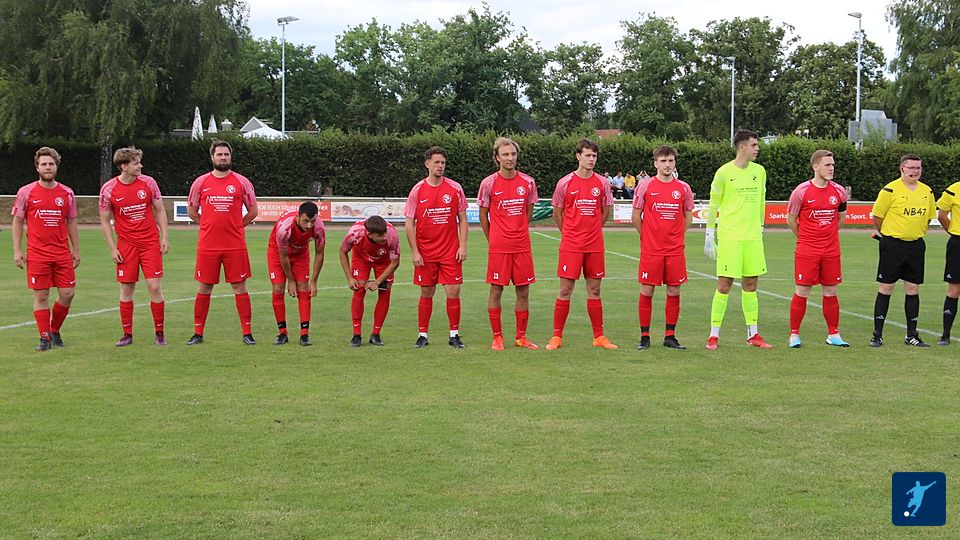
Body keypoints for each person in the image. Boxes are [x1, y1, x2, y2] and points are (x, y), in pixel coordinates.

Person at [704, 129, 773, 349]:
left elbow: (761, 201)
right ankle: (713, 335)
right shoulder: (724, 172)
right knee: (724, 285)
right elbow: (714, 204)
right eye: (754, 145)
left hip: (752, 238)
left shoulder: (759, 171)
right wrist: (709, 233)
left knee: (751, 284)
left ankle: (753, 334)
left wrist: (761, 227)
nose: (757, 149)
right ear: (742, 147)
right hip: (730, 237)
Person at [186, 139, 259, 345]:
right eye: (219, 154)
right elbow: (192, 211)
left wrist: (237, 226)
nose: (223, 158)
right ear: (212, 157)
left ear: (230, 157)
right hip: (208, 245)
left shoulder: (242, 182)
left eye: (226, 154)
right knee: (204, 288)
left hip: (235, 245)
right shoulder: (200, 183)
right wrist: (207, 224)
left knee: (240, 287)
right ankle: (198, 333)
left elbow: (253, 211)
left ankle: (247, 333)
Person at [547, 138, 618, 350]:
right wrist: (570, 233)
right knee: (565, 289)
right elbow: (557, 213)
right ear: (578, 156)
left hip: (594, 244)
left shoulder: (602, 183)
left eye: (594, 156)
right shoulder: (565, 183)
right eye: (587, 155)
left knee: (594, 290)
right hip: (572, 244)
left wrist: (592, 230)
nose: (591, 159)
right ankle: (556, 336)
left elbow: (606, 211)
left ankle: (599, 337)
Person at [98, 146, 170, 347]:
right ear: (124, 166)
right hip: (126, 245)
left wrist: (164, 236)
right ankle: (127, 334)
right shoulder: (109, 189)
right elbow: (104, 220)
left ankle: (159, 333)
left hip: (149, 243)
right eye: (136, 163)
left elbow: (160, 210)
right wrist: (112, 248)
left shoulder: (149, 183)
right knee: (127, 289)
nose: (140, 166)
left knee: (154, 287)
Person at [11, 147, 80, 351]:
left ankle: (54, 329)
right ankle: (44, 338)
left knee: (68, 293)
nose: (47, 167)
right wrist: (17, 250)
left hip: (61, 252)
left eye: (51, 164)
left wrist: (76, 249)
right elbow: (18, 221)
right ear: (37, 167)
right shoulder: (26, 192)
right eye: (44, 164)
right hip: (37, 253)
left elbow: (71, 222)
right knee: (41, 296)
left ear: (56, 166)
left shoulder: (67, 193)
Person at [478, 137, 540, 351]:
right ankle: (497, 337)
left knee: (523, 292)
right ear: (497, 158)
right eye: (505, 154)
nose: (510, 158)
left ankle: (521, 337)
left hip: (522, 246)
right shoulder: (488, 183)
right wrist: (493, 239)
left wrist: (518, 229)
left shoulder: (528, 182)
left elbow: (528, 212)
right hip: (499, 247)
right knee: (496, 291)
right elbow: (483, 215)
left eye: (513, 154)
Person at [404, 146, 468, 349]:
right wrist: (415, 251)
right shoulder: (417, 190)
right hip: (426, 252)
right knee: (427, 291)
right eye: (436, 162)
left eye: (443, 163)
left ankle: (454, 335)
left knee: (453, 291)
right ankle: (422, 334)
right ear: (427, 164)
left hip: (450, 251)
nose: (440, 166)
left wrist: (463, 245)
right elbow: (409, 223)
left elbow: (463, 219)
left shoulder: (455, 188)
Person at [631, 145, 694, 350]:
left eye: (670, 161)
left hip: (675, 249)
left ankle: (670, 336)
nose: (667, 165)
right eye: (663, 161)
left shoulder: (683, 188)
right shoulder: (645, 186)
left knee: (674, 290)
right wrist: (647, 237)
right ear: (655, 163)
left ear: (675, 163)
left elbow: (688, 216)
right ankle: (645, 337)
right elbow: (636, 216)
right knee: (647, 290)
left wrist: (677, 235)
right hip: (652, 250)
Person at [870, 153, 937, 347]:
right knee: (886, 288)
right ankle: (877, 335)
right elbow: (877, 217)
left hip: (916, 245)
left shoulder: (927, 191)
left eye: (918, 168)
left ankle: (911, 335)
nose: (915, 171)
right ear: (902, 169)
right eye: (911, 168)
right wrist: (888, 235)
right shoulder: (890, 190)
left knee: (913, 289)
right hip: (893, 245)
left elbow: (927, 218)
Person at [785, 150, 849, 348]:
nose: (831, 168)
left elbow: (841, 217)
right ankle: (794, 334)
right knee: (802, 290)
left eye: (833, 165)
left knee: (831, 290)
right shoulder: (801, 191)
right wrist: (806, 238)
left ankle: (834, 334)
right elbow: (791, 219)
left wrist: (828, 235)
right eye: (827, 165)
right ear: (815, 167)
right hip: (807, 249)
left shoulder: (839, 191)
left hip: (831, 249)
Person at [267, 202, 325, 346]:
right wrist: (290, 280)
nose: (309, 225)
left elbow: (319, 254)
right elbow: (283, 256)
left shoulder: (318, 227)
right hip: (278, 252)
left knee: (304, 288)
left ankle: (304, 334)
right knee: (278, 288)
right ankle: (282, 333)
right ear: (298, 217)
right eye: (306, 221)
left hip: (301, 253)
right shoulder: (284, 228)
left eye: (312, 221)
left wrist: (314, 281)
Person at [340, 215, 401, 346]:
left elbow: (395, 262)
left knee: (385, 293)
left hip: (384, 261)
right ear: (369, 234)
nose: (384, 237)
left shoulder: (392, 235)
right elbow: (342, 251)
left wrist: (377, 282)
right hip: (361, 259)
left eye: (384, 233)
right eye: (379, 235)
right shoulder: (354, 233)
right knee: (359, 290)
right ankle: (356, 335)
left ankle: (376, 334)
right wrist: (350, 278)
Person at [936, 179, 960, 345]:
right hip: (958, 243)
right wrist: (953, 231)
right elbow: (942, 215)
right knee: (954, 290)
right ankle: (946, 335)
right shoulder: (953, 189)